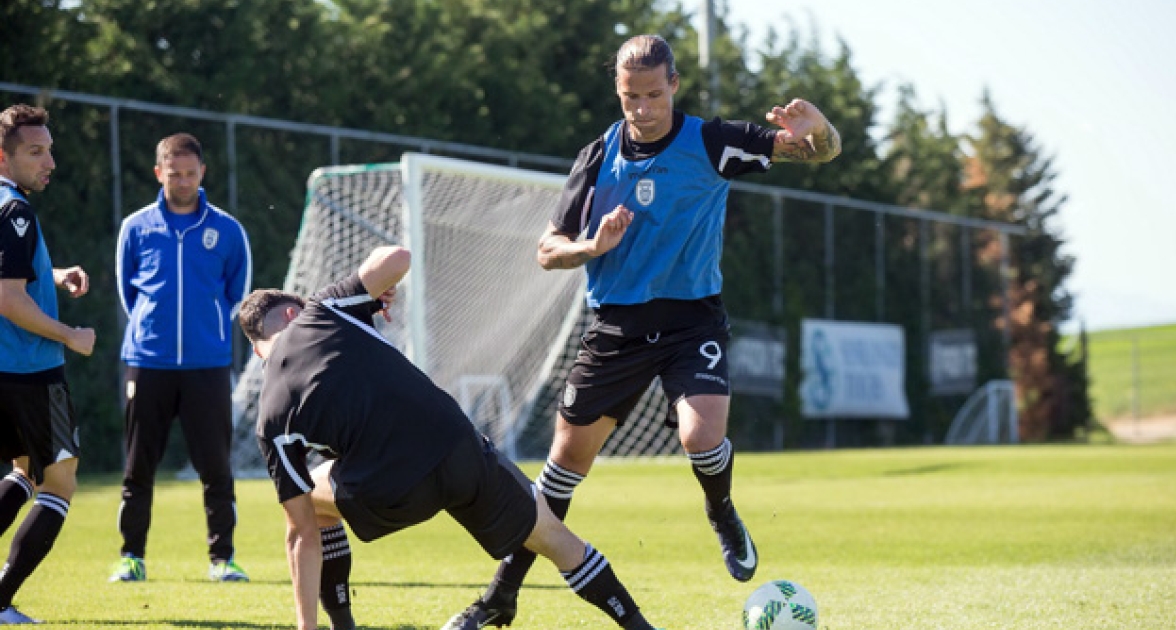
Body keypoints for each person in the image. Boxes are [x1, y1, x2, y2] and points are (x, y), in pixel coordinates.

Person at [449, 33, 842, 626]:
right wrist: (591, 246)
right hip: (617, 326)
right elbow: (547, 250)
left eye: (654, 94)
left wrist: (820, 128)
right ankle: (502, 595)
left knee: (701, 437)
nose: (643, 107)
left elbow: (816, 151)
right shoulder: (597, 156)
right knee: (562, 467)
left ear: (674, 85)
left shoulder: (712, 142)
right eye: (631, 96)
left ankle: (721, 511)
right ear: (618, 91)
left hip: (691, 319)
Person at [238, 245, 663, 630]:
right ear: (292, 313)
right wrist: (373, 289)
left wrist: (304, 626)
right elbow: (398, 257)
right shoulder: (322, 310)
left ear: (259, 350)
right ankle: (638, 625)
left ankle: (340, 625)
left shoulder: (270, 419)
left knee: (313, 506)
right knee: (554, 538)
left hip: (392, 489)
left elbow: (300, 534)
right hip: (456, 447)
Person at [109, 133, 253, 583]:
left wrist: (205, 331)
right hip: (147, 362)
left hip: (207, 365)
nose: (184, 181)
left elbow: (238, 294)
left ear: (202, 172)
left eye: (191, 173)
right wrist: (152, 330)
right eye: (175, 174)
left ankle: (222, 559)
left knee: (216, 468)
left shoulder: (228, 230)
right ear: (159, 173)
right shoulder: (136, 227)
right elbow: (128, 292)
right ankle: (131, 557)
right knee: (138, 468)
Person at [0, 103, 96, 624]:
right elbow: (8, 299)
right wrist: (70, 335)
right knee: (59, 482)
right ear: (3, 157)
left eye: (50, 150)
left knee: (23, 472)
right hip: (31, 371)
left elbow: (10, 275)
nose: (50, 163)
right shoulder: (15, 211)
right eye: (36, 152)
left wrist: (53, 275)